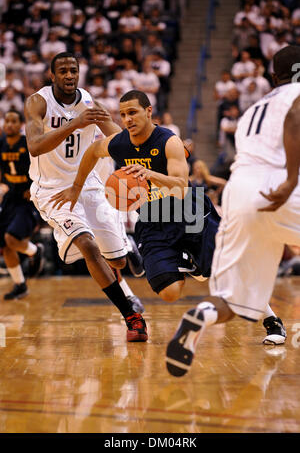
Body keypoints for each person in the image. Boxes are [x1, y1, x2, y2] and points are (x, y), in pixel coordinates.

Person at [49, 89, 284, 346]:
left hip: (190, 213)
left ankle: (272, 321)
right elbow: (93, 151)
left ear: (149, 111)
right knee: (169, 292)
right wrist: (76, 186)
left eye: (133, 113)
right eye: (123, 114)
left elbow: (181, 186)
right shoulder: (120, 143)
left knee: (230, 273)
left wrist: (149, 174)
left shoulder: (168, 141)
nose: (127, 119)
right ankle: (186, 260)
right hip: (153, 218)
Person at [165, 45, 300, 377]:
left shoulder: (254, 109)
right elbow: (296, 119)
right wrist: (291, 179)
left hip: (239, 193)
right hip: (280, 186)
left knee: (232, 299)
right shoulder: (297, 95)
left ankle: (201, 316)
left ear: (272, 77)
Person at [24, 52, 147, 342]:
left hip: (88, 184)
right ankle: (132, 316)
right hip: (52, 191)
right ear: (52, 75)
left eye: (73, 71)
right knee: (87, 245)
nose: (69, 75)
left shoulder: (89, 101)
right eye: (63, 71)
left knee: (116, 262)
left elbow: (118, 136)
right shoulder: (38, 102)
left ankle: (126, 245)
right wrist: (75, 124)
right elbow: (35, 146)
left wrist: (139, 154)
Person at [0, 110, 44, 300]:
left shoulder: (28, 144)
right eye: (7, 121)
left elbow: (42, 168)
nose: (9, 124)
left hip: (28, 199)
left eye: (13, 121)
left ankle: (35, 250)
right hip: (10, 197)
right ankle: (20, 285)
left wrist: (34, 187)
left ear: (21, 125)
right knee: (6, 246)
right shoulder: (1, 143)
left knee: (11, 238)